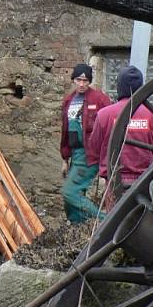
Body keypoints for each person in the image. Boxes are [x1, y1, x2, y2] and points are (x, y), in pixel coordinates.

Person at [86, 65, 153, 209]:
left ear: (119, 87)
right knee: (143, 224)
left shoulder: (104, 114)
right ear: (141, 88)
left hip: (114, 182)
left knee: (116, 228)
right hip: (145, 183)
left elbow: (93, 148)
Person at [60, 63, 112, 224]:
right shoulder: (69, 101)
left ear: (89, 81)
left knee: (69, 193)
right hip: (75, 154)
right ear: (73, 80)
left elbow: (110, 124)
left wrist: (106, 155)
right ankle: (77, 228)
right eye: (78, 80)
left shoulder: (99, 99)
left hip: (90, 154)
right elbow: (65, 131)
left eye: (85, 80)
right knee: (70, 204)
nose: (82, 84)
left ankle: (105, 221)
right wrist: (64, 159)